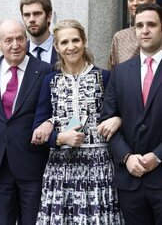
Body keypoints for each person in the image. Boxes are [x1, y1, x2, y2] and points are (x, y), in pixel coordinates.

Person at [32, 19, 123, 224]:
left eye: (75, 40)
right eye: (64, 42)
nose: (71, 46)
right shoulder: (50, 81)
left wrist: (117, 118)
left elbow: (120, 112)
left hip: (98, 166)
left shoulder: (104, 77)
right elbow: (37, 128)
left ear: (84, 41)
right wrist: (59, 137)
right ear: (56, 47)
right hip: (60, 168)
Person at [0, 19, 52, 225]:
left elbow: (54, 110)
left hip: (32, 163)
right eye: (8, 40)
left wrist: (50, 123)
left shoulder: (45, 71)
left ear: (27, 40)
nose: (15, 45)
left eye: (20, 38)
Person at [101, 3, 162, 225]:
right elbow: (106, 120)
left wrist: (157, 156)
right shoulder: (119, 73)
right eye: (139, 25)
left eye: (151, 24)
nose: (145, 30)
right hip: (131, 179)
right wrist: (126, 157)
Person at [108, 0, 155, 70]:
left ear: (152, 0)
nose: (135, 3)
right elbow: (114, 73)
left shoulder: (159, 33)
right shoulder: (120, 38)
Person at [20, 0, 57, 65]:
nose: (31, 19)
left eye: (37, 14)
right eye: (27, 15)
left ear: (49, 16)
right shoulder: (19, 52)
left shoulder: (64, 49)